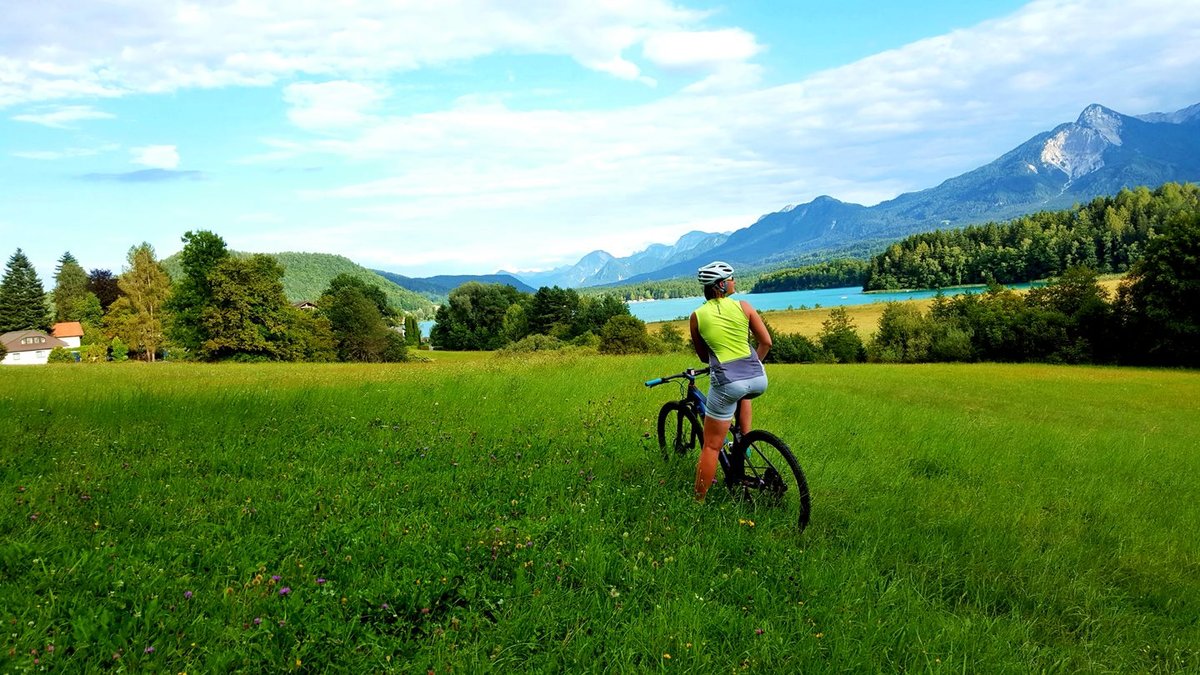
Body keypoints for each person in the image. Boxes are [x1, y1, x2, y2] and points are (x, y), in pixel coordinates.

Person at [689, 261, 771, 501]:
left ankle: (697, 502)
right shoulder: (744, 307)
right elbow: (766, 343)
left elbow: (704, 356)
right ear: (722, 285)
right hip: (758, 379)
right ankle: (744, 443)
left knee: (712, 446)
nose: (735, 282)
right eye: (732, 278)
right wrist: (754, 365)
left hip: (728, 382)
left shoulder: (697, 316)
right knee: (743, 393)